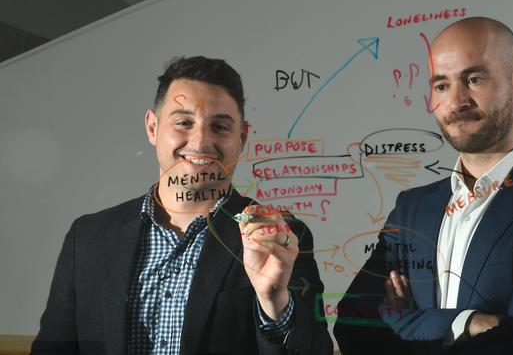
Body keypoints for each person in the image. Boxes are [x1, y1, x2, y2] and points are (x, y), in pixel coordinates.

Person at [334, 17, 513, 354]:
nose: (456, 101)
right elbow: (353, 326)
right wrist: (465, 322)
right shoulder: (412, 209)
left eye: (474, 79)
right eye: (441, 85)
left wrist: (408, 321)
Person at [31, 56, 333, 355]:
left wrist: (274, 301)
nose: (200, 142)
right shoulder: (89, 237)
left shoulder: (279, 236)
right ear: (153, 127)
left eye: (220, 127)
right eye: (184, 122)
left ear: (241, 137)